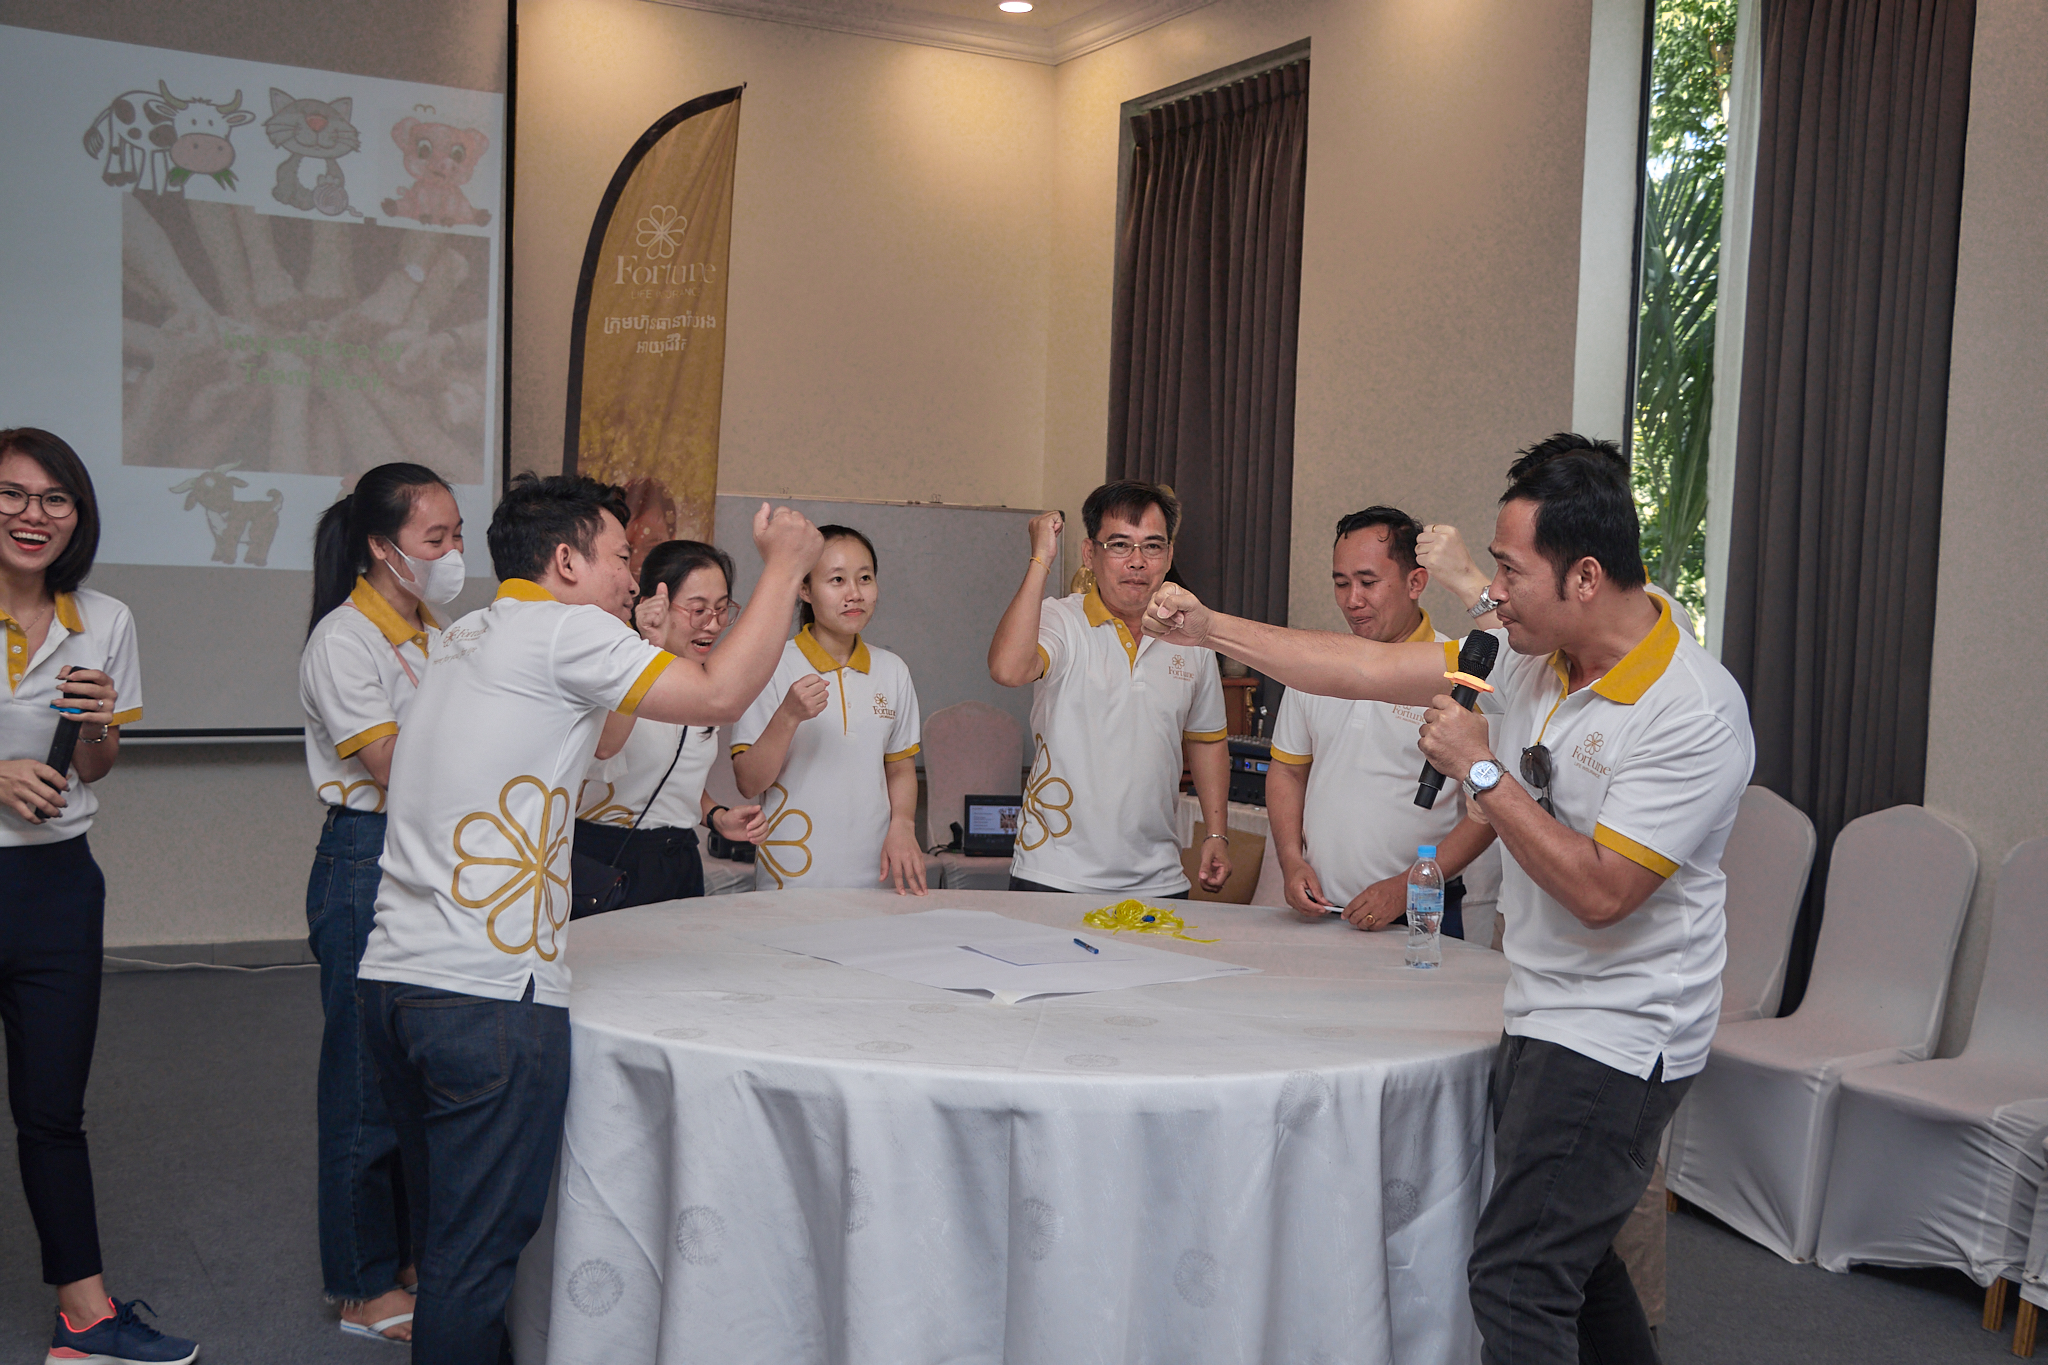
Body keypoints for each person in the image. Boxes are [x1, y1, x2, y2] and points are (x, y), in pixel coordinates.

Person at [1140, 434, 1754, 1365]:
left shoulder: (1691, 710)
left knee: (1516, 1279)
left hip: (1624, 1032)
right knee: (1576, 1260)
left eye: (1509, 571)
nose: (1491, 593)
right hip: (1544, 1002)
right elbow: (1355, 669)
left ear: (1586, 577)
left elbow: (1602, 892)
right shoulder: (1539, 657)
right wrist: (1210, 627)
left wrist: (1480, 769)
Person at [356, 475, 821, 1363]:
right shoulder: (565, 631)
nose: (630, 580)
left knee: (450, 1242)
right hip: (484, 994)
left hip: (395, 980)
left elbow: (605, 737)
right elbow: (718, 693)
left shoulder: (465, 635)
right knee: (472, 1263)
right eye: (619, 558)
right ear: (566, 561)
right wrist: (786, 566)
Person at [0, 428, 198, 1365]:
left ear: (77, 516)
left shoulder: (105, 618)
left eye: (55, 499)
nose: (32, 515)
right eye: (12, 493)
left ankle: (83, 1321)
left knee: (52, 1110)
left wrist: (93, 724)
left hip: (57, 886)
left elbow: (98, 765)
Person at [298, 461, 465, 1344]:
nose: (453, 552)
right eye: (436, 538)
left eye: (456, 534)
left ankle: (405, 1257)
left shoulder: (441, 632)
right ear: (381, 545)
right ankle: (361, 1284)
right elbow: (396, 767)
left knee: (413, 1069)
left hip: (429, 854)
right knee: (363, 1077)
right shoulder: (344, 640)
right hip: (367, 853)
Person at [987, 481, 1231, 899]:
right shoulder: (1060, 620)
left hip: (1160, 878)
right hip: (1054, 873)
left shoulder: (1192, 636)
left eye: (1152, 546)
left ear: (1169, 555)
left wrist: (1216, 833)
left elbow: (1207, 741)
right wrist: (1041, 559)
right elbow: (1008, 670)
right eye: (1119, 545)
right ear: (1089, 553)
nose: (1137, 561)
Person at [1266, 506, 1499, 935]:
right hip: (1321, 911)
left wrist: (1408, 886)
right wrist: (1291, 860)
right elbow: (1287, 771)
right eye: (1341, 583)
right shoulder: (1317, 665)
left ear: (1416, 582)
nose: (1352, 600)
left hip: (1423, 911)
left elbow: (1491, 807)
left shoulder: (1462, 673)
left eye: (1368, 582)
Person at [573, 540, 769, 907]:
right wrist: (647, 648)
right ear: (655, 604)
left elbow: (675, 778)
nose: (713, 624)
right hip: (604, 856)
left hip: (678, 858)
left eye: (722, 609)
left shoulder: (705, 687)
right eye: (698, 610)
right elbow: (603, 750)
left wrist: (717, 816)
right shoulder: (612, 670)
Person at [731, 525, 927, 893]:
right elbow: (748, 782)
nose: (855, 594)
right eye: (837, 580)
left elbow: (900, 768)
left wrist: (903, 824)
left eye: (865, 578)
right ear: (804, 590)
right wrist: (788, 716)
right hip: (791, 874)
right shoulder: (771, 665)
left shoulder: (893, 670)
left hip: (877, 875)